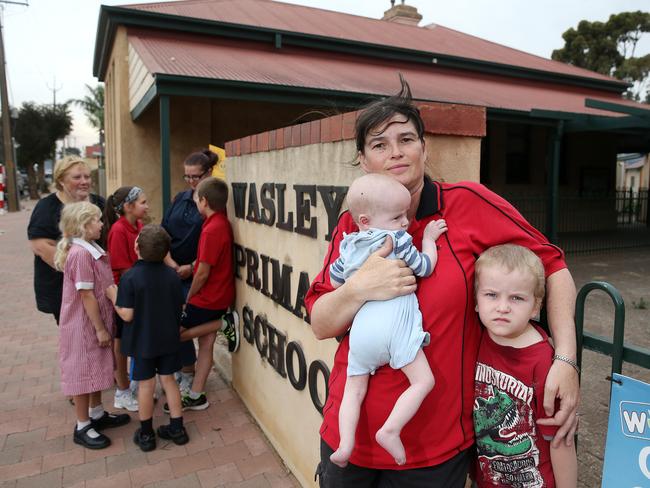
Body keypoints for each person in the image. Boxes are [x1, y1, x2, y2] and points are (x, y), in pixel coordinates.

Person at [305, 78, 580, 487]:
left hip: (436, 446)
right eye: (379, 144)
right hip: (352, 437)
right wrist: (359, 288)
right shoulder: (355, 224)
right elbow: (322, 322)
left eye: (406, 139)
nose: (395, 152)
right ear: (363, 161)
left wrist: (566, 359)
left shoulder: (467, 203)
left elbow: (554, 266)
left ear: (424, 148)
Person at [328, 173, 447, 467]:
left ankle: (344, 446)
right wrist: (429, 240)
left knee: (352, 391)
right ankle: (391, 429)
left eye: (405, 215)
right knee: (423, 381)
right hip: (393, 327)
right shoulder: (397, 240)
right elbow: (425, 267)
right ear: (366, 220)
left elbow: (333, 280)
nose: (405, 222)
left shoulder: (348, 245)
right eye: (397, 217)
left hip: (362, 333)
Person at [473, 244, 577, 488]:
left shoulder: (542, 360)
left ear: (535, 306)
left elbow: (560, 439)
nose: (502, 307)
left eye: (516, 298)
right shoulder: (477, 339)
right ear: (476, 300)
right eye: (491, 295)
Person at [106, 225, 189, 452]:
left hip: (143, 342)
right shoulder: (172, 276)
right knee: (169, 381)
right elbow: (180, 305)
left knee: (145, 385)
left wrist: (113, 297)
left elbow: (127, 314)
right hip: (168, 339)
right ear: (165, 253)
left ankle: (146, 434)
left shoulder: (130, 277)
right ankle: (177, 429)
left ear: (136, 247)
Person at [54, 201, 130, 450]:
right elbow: (86, 295)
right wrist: (99, 328)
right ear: (84, 226)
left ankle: (97, 414)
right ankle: (82, 424)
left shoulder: (91, 248)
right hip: (84, 326)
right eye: (97, 221)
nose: (101, 224)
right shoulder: (80, 254)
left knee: (96, 368)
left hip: (94, 322)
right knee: (83, 372)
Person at [163, 176, 239, 413]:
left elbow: (203, 272)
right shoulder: (219, 223)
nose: (195, 203)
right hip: (220, 294)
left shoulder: (213, 229)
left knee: (172, 336)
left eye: (197, 199)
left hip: (209, 298)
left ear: (204, 201)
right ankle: (196, 395)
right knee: (206, 343)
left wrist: (189, 298)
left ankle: (224, 322)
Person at [161, 149, 218, 393]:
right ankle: (184, 368)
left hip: (197, 275)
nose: (192, 182)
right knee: (171, 319)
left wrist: (190, 267)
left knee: (187, 325)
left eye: (196, 177)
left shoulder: (213, 205)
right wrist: (170, 262)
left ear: (209, 173)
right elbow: (164, 232)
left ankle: (189, 373)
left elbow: (214, 247)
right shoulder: (179, 199)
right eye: (187, 177)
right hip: (172, 271)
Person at [28, 157, 105, 325]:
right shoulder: (47, 207)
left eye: (87, 176)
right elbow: (39, 246)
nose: (84, 181)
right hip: (63, 288)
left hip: (101, 286)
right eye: (77, 177)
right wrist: (79, 273)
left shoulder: (99, 203)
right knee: (77, 336)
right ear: (61, 180)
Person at [105, 186, 150, 412]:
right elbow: (123, 270)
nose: (147, 206)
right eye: (142, 202)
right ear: (128, 206)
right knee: (121, 342)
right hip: (126, 293)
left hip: (139, 290)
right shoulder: (118, 230)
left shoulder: (139, 226)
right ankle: (122, 390)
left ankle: (133, 383)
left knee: (133, 339)